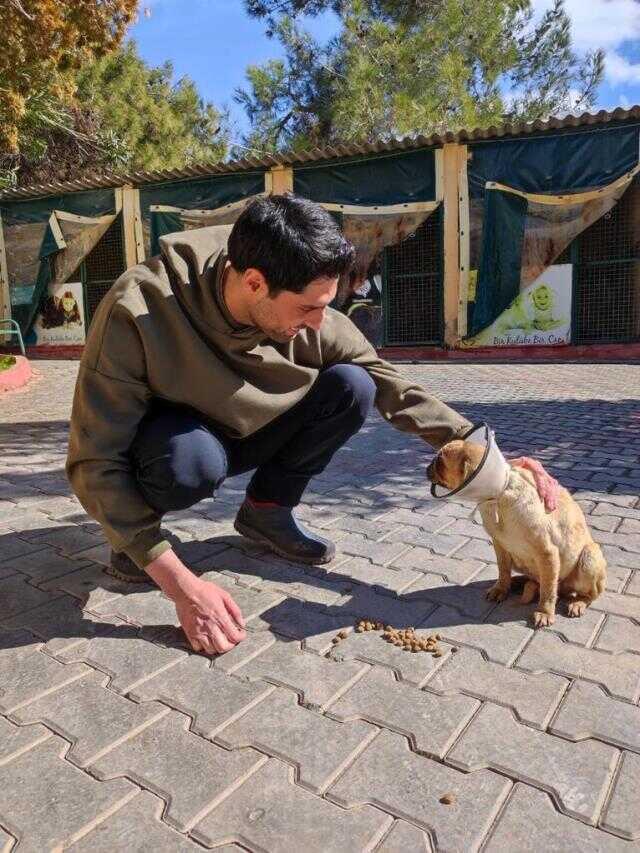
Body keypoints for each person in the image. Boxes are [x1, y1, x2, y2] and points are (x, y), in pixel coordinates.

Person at [67, 194, 557, 657]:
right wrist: (177, 581)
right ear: (254, 283)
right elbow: (94, 460)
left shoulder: (302, 296)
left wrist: (488, 456)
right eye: (309, 308)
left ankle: (266, 511)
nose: (322, 323)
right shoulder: (139, 309)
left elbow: (393, 387)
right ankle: (132, 545)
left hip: (249, 431)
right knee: (186, 465)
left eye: (328, 304)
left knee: (353, 385)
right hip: (179, 445)